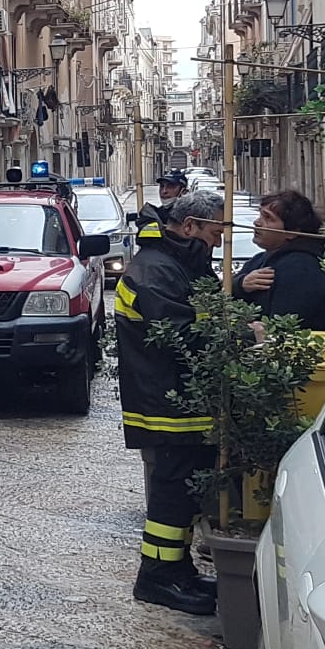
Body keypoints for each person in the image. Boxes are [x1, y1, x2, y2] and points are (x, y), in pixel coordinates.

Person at [115, 187, 225, 616]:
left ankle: (176, 570)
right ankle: (157, 578)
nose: (218, 243)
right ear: (191, 226)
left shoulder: (174, 261)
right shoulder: (156, 270)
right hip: (165, 402)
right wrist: (237, 330)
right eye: (214, 234)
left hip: (175, 398)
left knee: (181, 493)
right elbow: (179, 335)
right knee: (172, 492)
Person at [233, 188, 325, 330]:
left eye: (268, 218)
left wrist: (251, 331)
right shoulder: (259, 259)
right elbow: (225, 299)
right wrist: (241, 285)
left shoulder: (302, 269)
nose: (257, 222)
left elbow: (283, 329)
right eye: (260, 215)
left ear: (292, 233)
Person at [133, 171, 188, 235]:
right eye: (162, 186)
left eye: (170, 186)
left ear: (183, 191)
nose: (164, 191)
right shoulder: (153, 215)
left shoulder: (191, 216)